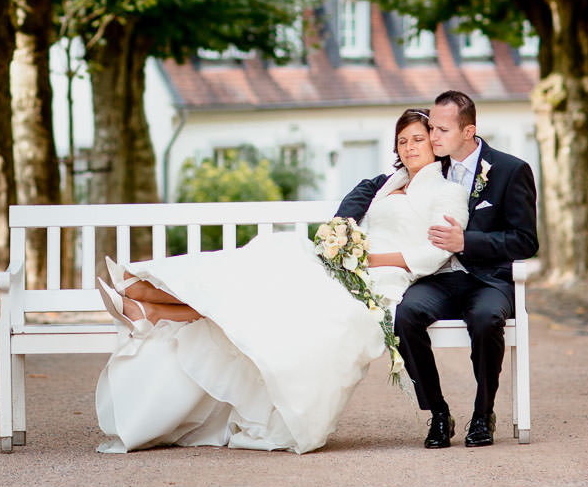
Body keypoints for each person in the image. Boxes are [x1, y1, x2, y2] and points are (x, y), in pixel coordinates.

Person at [94, 108, 467, 454]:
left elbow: (435, 253)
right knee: (270, 264)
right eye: (402, 141)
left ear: (435, 143)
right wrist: (344, 249)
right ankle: (151, 296)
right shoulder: (385, 186)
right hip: (346, 266)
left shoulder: (447, 192)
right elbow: (355, 222)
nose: (409, 147)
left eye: (417, 139)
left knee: (277, 298)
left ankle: (151, 305)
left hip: (381, 282)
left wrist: (366, 260)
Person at [335, 90, 538, 449]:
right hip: (436, 277)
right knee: (407, 315)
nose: (431, 137)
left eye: (440, 130)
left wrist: (468, 243)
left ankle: (483, 412)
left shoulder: (510, 170)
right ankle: (439, 412)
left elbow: (525, 241)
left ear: (468, 131)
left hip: (487, 280)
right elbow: (377, 184)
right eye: (431, 129)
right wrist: (342, 225)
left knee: (486, 319)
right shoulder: (431, 162)